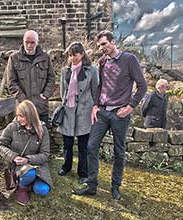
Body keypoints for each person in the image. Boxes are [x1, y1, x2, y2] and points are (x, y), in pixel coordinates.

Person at [72, 30, 147, 200]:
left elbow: (142, 85)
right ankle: (92, 186)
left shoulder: (129, 59)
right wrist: (96, 105)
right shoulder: (102, 62)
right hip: (103, 112)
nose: (101, 48)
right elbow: (100, 86)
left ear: (113, 42)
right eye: (99, 45)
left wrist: (130, 107)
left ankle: (115, 187)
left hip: (120, 114)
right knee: (91, 147)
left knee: (119, 152)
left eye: (104, 44)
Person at [0, 100, 53, 206]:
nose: (19, 119)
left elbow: (45, 154)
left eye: (22, 116)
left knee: (42, 190)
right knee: (29, 173)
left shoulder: (42, 129)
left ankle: (30, 182)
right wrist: (13, 157)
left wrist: (28, 159)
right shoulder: (12, 127)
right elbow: (0, 145)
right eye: (17, 116)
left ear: (30, 115)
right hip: (19, 166)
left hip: (38, 165)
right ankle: (21, 188)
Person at [57, 42, 98, 184]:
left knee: (83, 145)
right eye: (70, 55)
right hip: (68, 111)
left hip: (84, 112)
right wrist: (65, 104)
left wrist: (95, 107)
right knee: (67, 143)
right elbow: (63, 91)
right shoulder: (65, 71)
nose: (72, 58)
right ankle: (66, 167)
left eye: (75, 54)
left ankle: (83, 173)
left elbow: (95, 91)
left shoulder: (91, 71)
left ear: (82, 54)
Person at [6, 30, 55, 126]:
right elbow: (11, 82)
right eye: (27, 42)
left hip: (41, 107)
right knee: (24, 139)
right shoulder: (14, 58)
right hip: (23, 109)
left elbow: (51, 78)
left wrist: (45, 94)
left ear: (37, 42)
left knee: (42, 136)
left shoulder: (45, 58)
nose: (29, 45)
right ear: (23, 41)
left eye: (32, 43)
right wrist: (23, 100)